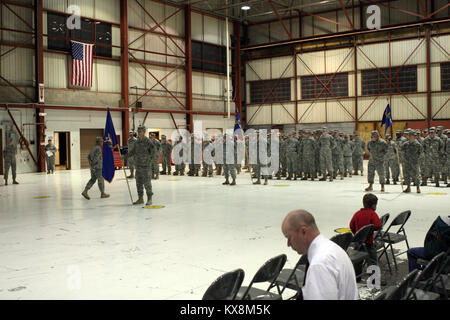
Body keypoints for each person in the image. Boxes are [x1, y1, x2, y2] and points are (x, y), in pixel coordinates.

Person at [281, 210, 359, 300]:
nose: (288, 244)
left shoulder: (319, 264)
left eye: (289, 237)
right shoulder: (333, 248)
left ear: (303, 231)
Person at [349, 193, 382, 279]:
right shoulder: (372, 214)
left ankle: (357, 277)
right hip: (369, 242)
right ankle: (374, 279)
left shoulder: (357, 214)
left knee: (358, 260)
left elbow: (351, 225)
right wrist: (371, 229)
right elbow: (378, 225)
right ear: (374, 205)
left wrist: (356, 234)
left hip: (358, 242)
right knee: (373, 260)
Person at [128, 125, 154, 206]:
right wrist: (125, 156)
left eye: (141, 131)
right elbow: (133, 151)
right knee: (138, 183)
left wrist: (149, 161)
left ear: (144, 132)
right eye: (138, 131)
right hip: (138, 166)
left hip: (146, 166)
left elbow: (153, 152)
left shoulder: (148, 141)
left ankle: (149, 199)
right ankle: (140, 198)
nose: (139, 133)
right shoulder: (137, 142)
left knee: (147, 183)